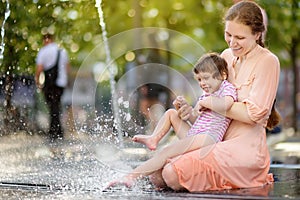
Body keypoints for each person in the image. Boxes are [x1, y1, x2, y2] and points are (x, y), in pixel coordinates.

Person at [109, 1, 281, 192]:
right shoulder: (227, 56)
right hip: (216, 137)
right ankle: (130, 177)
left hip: (243, 149)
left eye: (239, 37)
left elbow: (253, 114)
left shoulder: (268, 61)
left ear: (257, 34)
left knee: (171, 174)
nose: (232, 42)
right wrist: (190, 113)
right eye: (228, 35)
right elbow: (212, 106)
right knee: (157, 175)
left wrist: (209, 102)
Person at [108, 53, 237, 188]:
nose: (202, 83)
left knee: (166, 151)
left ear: (222, 75)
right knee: (171, 113)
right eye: (199, 80)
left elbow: (227, 105)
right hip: (196, 133)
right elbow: (196, 118)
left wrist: (206, 101)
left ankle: (130, 177)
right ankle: (153, 138)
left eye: (205, 78)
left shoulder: (226, 88)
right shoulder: (206, 94)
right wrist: (184, 108)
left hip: (209, 138)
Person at [35, 33, 70, 143]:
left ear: (45, 40)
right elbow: (68, 68)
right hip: (61, 83)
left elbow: (39, 69)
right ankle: (58, 130)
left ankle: (54, 131)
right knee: (56, 105)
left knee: (52, 106)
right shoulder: (62, 51)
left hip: (50, 84)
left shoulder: (43, 51)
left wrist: (38, 82)